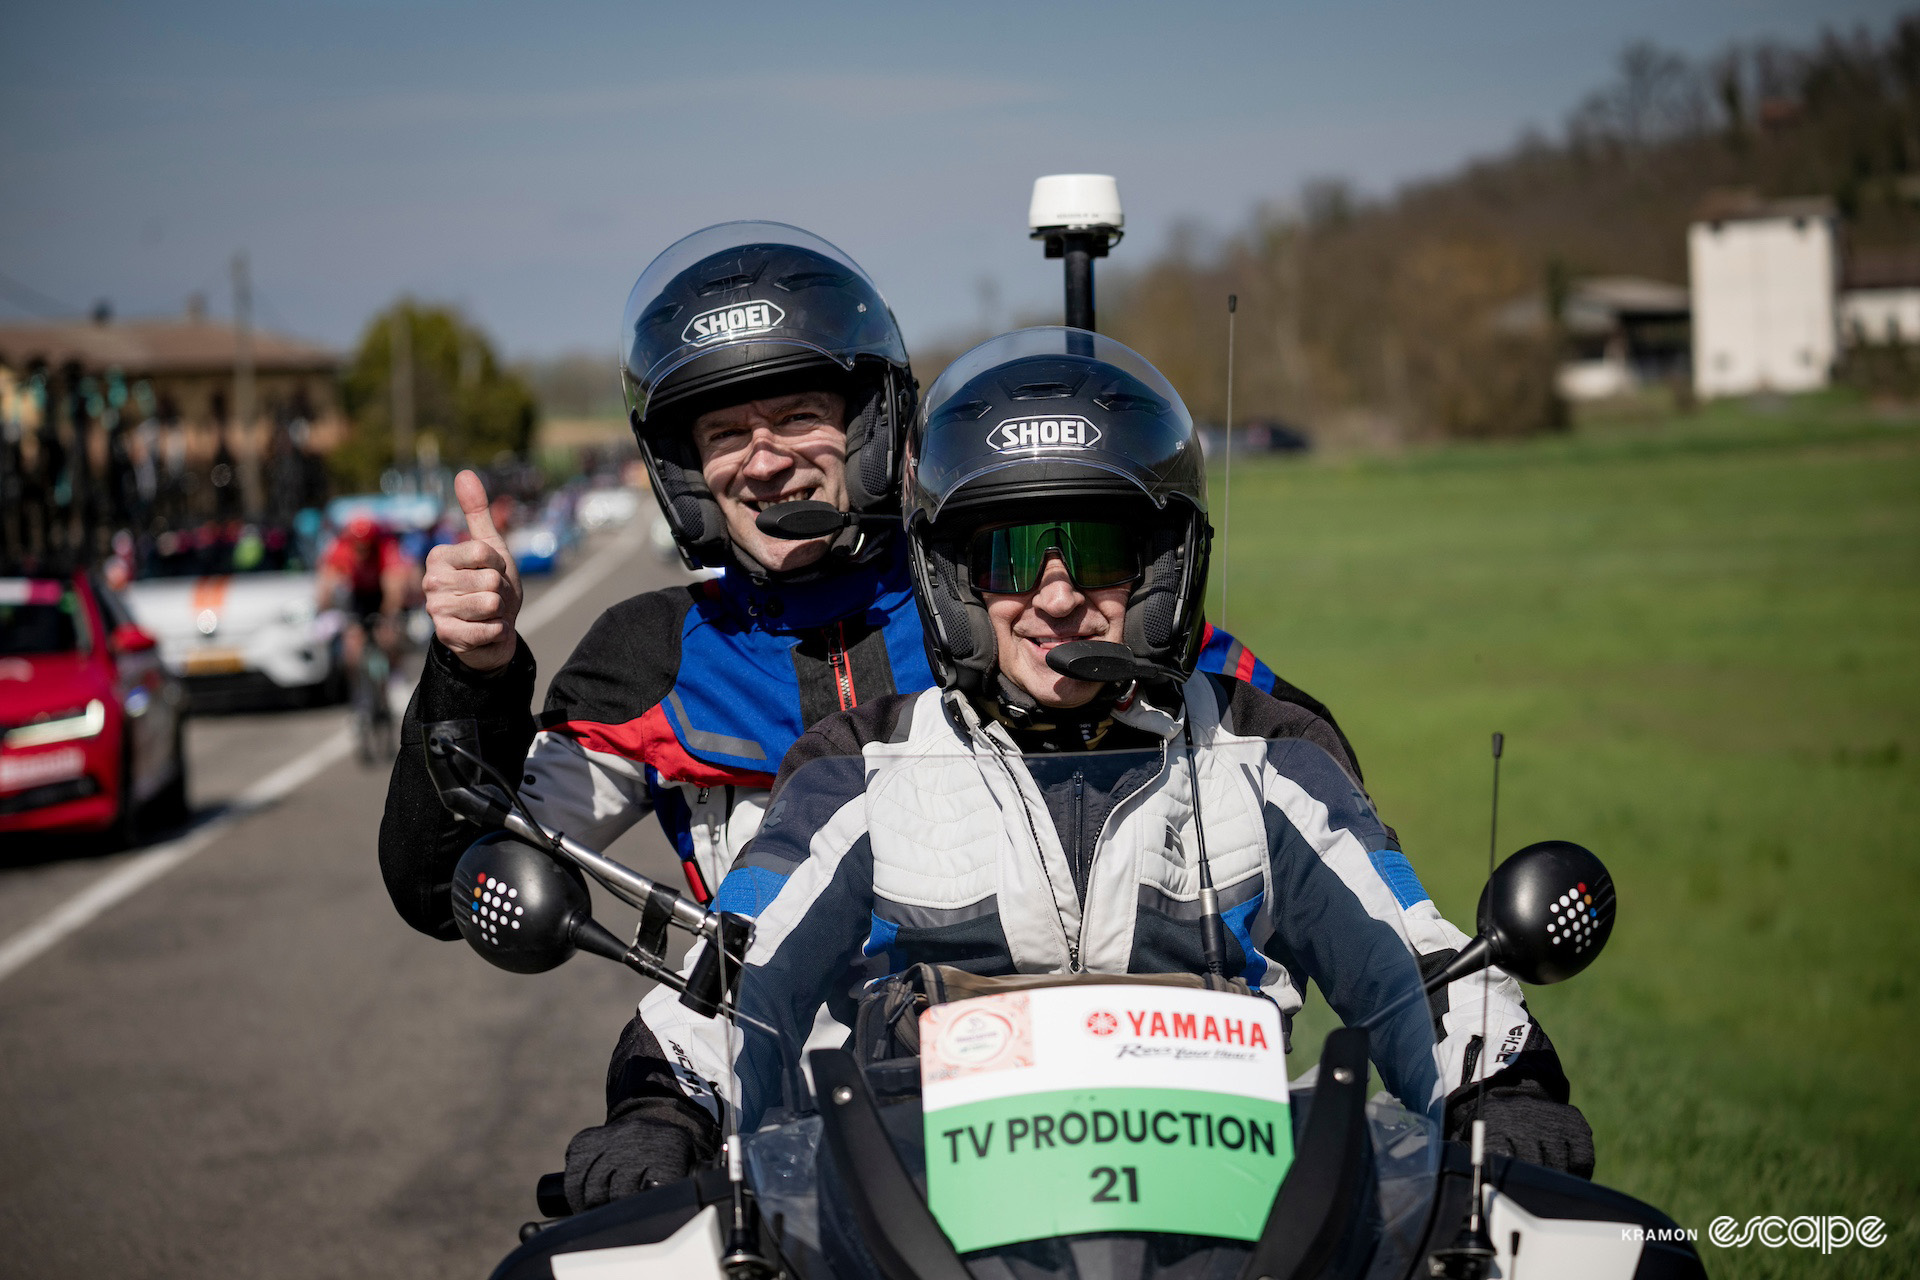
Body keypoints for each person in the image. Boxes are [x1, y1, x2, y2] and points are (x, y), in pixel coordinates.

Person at [566, 328, 1593, 1212]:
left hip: (1233, 1232)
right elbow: (738, 977)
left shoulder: (1262, 755)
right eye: (1010, 558)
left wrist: (1502, 1086)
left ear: (1160, 568)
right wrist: (665, 1108)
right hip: (913, 1236)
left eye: (1095, 551)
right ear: (952, 578)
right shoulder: (859, 772)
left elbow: (1412, 958)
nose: (1055, 599)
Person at [378, 224, 1354, 937]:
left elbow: (1306, 763)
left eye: (799, 415)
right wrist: (475, 668)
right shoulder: (653, 658)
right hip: (768, 1096)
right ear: (687, 472)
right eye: (723, 434)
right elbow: (447, 886)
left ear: (876, 426)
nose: (762, 461)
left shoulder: (1008, 606)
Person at [316, 512, 411, 690]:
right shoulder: (341, 548)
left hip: (379, 594)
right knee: (351, 650)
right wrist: (323, 610)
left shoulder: (385, 548)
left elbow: (394, 586)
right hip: (357, 598)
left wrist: (388, 613)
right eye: (358, 547)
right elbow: (325, 582)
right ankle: (359, 694)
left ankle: (396, 679)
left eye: (367, 546)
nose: (363, 551)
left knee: (389, 638)